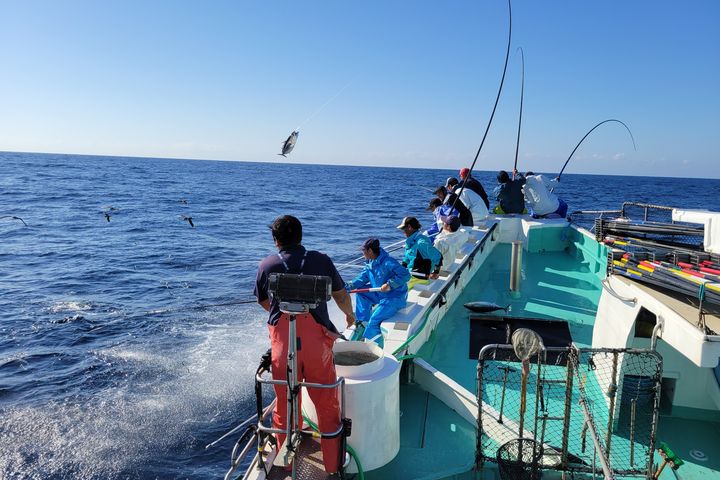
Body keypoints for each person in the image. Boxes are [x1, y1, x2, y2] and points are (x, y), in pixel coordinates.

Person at [254, 215, 355, 475]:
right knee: (326, 401)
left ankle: (286, 462)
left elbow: (264, 303)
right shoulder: (321, 260)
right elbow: (341, 295)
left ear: (276, 240)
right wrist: (349, 315)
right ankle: (332, 465)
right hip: (316, 347)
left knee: (284, 399)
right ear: (301, 236)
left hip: (282, 345)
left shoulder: (266, 265)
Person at [346, 238, 410, 346]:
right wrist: (346, 287)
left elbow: (406, 275)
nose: (362, 254)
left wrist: (390, 284)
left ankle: (371, 346)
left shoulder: (389, 262)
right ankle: (363, 322)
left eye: (364, 251)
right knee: (361, 293)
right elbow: (361, 279)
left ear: (370, 251)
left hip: (394, 298)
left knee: (375, 320)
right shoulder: (370, 264)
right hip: (380, 295)